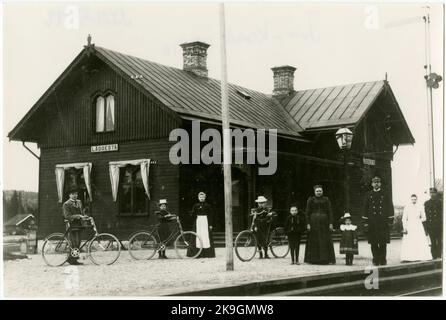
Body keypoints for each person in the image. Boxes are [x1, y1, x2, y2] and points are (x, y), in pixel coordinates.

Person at [362, 176, 394, 266]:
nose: (376, 184)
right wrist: (365, 222)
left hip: (383, 222)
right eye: (374, 182)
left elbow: (390, 206)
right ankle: (375, 259)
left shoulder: (385, 194)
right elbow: (365, 208)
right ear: (372, 184)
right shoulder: (368, 194)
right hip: (372, 222)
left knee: (383, 242)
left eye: (378, 182)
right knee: (373, 242)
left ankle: (383, 259)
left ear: (380, 183)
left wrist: (390, 220)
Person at [304, 185, 336, 265]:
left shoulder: (326, 199)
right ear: (314, 192)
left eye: (320, 191)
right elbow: (307, 212)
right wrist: (308, 223)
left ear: (322, 191)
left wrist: (331, 223)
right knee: (314, 240)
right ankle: (313, 259)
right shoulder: (311, 199)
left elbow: (330, 211)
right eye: (317, 191)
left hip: (324, 224)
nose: (319, 192)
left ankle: (325, 259)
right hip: (313, 223)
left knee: (324, 240)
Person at [400, 194, 432, 262]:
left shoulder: (420, 207)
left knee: (418, 240)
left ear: (417, 199)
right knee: (409, 241)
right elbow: (404, 218)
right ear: (410, 199)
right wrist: (405, 227)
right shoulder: (407, 207)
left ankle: (420, 256)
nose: (413, 201)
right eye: (412, 199)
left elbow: (424, 218)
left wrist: (418, 220)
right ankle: (407, 257)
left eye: (415, 199)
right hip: (410, 226)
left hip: (418, 226)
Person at [62, 188, 87, 265]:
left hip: (79, 225)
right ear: (69, 195)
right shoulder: (66, 204)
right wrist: (78, 216)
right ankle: (72, 259)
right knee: (73, 243)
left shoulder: (79, 202)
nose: (74, 195)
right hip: (71, 225)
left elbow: (82, 212)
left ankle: (73, 259)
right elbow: (67, 216)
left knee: (78, 242)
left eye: (76, 194)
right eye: (73, 194)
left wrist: (84, 216)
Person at [190, 192, 215, 258]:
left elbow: (210, 215)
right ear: (198, 198)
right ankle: (198, 253)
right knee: (198, 235)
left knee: (205, 236)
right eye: (200, 197)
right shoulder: (195, 205)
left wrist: (210, 224)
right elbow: (193, 213)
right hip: (198, 221)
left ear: (205, 198)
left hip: (205, 221)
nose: (201, 198)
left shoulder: (208, 205)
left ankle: (206, 253)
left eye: (203, 197)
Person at [424, 188, 443, 259]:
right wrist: (426, 226)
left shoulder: (440, 202)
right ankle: (434, 255)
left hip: (439, 225)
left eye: (433, 193)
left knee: (439, 240)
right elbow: (425, 215)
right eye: (431, 193)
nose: (432, 194)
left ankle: (439, 255)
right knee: (432, 241)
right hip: (430, 226)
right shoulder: (426, 203)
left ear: (436, 193)